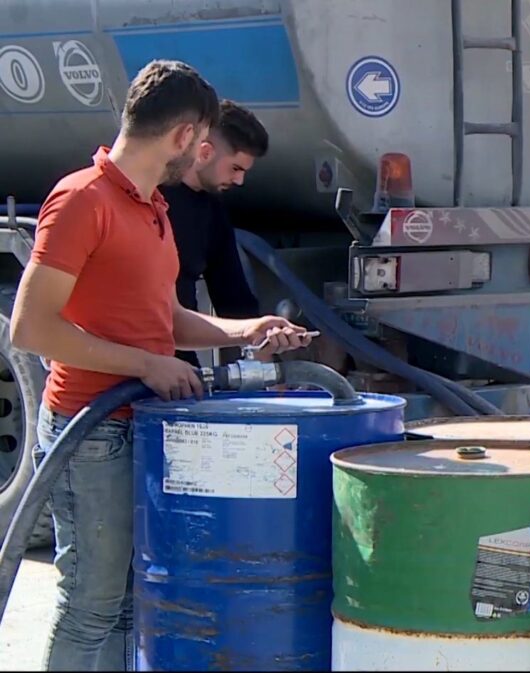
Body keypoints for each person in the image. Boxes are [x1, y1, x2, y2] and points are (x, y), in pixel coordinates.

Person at [10, 60, 313, 671]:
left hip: (140, 424)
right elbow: (31, 328)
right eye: (201, 139)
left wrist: (246, 330)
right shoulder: (82, 200)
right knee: (90, 605)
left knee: (127, 605)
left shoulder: (153, 208)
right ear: (183, 135)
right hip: (89, 431)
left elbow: (164, 318)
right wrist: (148, 366)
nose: (203, 151)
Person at [160, 99, 268, 367]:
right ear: (205, 152)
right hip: (131, 360)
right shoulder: (151, 196)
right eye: (235, 168)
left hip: (180, 362)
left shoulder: (212, 210)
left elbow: (233, 297)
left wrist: (267, 365)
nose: (239, 180)